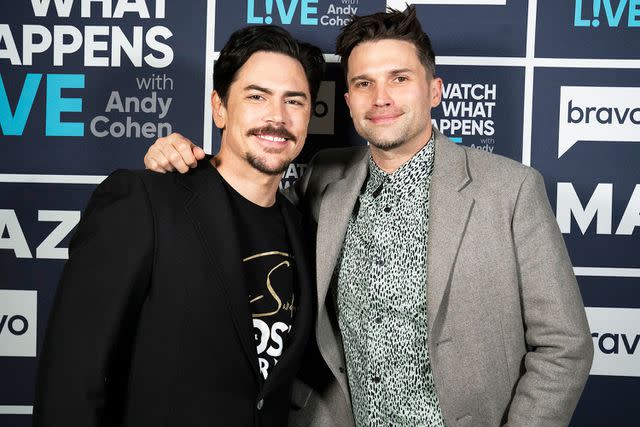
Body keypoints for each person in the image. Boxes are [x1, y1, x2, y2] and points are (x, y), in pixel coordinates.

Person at [143, 7, 594, 427]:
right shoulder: (323, 177)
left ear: (434, 89)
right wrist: (183, 163)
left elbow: (564, 346)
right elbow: (247, 218)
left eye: (399, 78)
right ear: (347, 99)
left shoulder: (510, 189)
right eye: (363, 83)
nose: (381, 98)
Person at [33, 25, 324, 427]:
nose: (277, 117)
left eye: (295, 101)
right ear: (219, 107)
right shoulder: (145, 200)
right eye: (256, 97)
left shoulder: (305, 227)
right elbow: (71, 378)